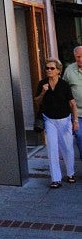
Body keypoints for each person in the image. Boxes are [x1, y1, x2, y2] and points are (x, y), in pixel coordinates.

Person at [34, 57, 79, 188]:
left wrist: (75, 121)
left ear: (58, 70)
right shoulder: (43, 84)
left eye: (52, 68)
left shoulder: (64, 85)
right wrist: (43, 91)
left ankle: (70, 173)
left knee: (67, 148)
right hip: (49, 120)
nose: (49, 70)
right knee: (52, 149)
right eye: (47, 68)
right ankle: (56, 179)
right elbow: (37, 101)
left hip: (64, 120)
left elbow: (72, 104)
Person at [63, 46, 82, 160]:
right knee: (80, 136)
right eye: (78, 57)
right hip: (77, 113)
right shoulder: (69, 70)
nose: (80, 59)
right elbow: (64, 90)